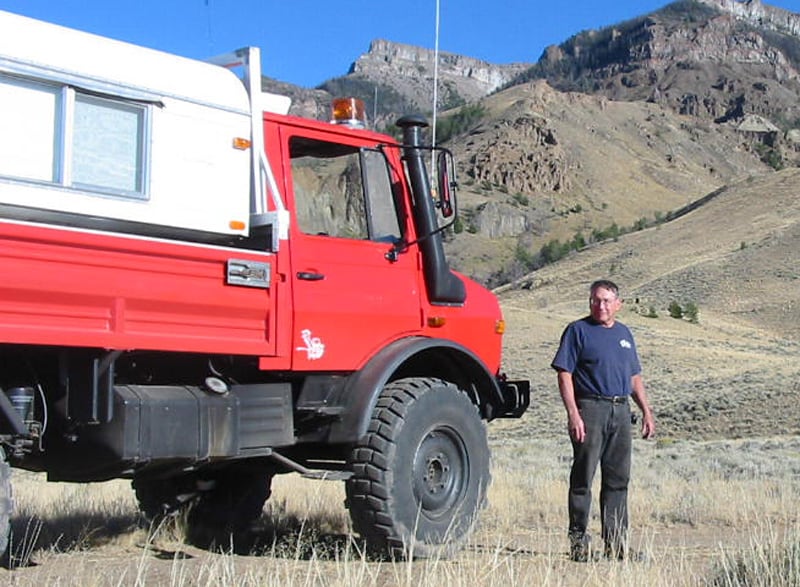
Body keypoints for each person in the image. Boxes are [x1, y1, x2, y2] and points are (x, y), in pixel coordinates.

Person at [551, 279, 655, 562]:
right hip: (591, 409)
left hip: (621, 411)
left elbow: (634, 377)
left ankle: (617, 546)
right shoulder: (577, 331)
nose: (601, 306)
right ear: (590, 302)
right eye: (596, 300)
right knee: (583, 478)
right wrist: (574, 413)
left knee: (618, 481)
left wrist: (645, 410)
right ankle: (579, 544)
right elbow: (564, 374)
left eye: (607, 300)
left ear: (618, 304)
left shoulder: (624, 334)